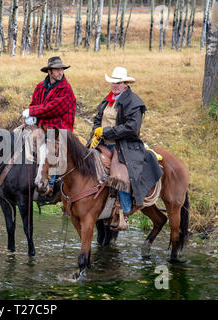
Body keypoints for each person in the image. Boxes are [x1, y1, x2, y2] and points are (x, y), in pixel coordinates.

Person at [89, 67, 163, 220]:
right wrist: (96, 131)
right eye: (113, 82)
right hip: (102, 142)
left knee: (119, 174)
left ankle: (125, 209)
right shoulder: (108, 99)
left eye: (119, 83)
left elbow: (131, 128)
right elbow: (98, 118)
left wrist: (105, 132)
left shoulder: (134, 102)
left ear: (126, 84)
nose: (115, 85)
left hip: (125, 145)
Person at [23, 56, 77, 192]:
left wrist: (32, 111)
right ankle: (23, 176)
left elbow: (53, 108)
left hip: (61, 129)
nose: (60, 72)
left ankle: (50, 185)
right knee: (19, 135)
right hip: (43, 127)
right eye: (57, 70)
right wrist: (31, 116)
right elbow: (34, 104)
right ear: (50, 72)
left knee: (51, 147)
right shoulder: (40, 87)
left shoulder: (66, 89)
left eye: (62, 69)